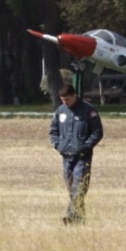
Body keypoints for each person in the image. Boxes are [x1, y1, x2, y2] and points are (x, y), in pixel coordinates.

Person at [49, 83, 104, 223]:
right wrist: (58, 145)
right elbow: (53, 131)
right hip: (66, 156)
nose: (65, 102)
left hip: (82, 157)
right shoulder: (60, 111)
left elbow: (97, 132)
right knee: (71, 188)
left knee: (79, 187)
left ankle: (72, 216)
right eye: (62, 100)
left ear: (74, 96)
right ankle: (80, 218)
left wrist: (86, 146)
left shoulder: (88, 110)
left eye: (67, 99)